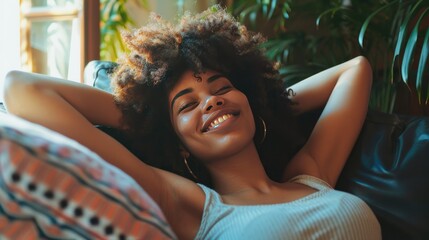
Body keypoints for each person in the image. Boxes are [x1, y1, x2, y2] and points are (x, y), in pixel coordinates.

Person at [3, 5, 381, 240]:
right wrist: (150, 121)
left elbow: (355, 71)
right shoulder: (189, 205)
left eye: (223, 88)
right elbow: (22, 89)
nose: (211, 100)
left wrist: (266, 106)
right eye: (187, 105)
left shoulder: (312, 174)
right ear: (178, 140)